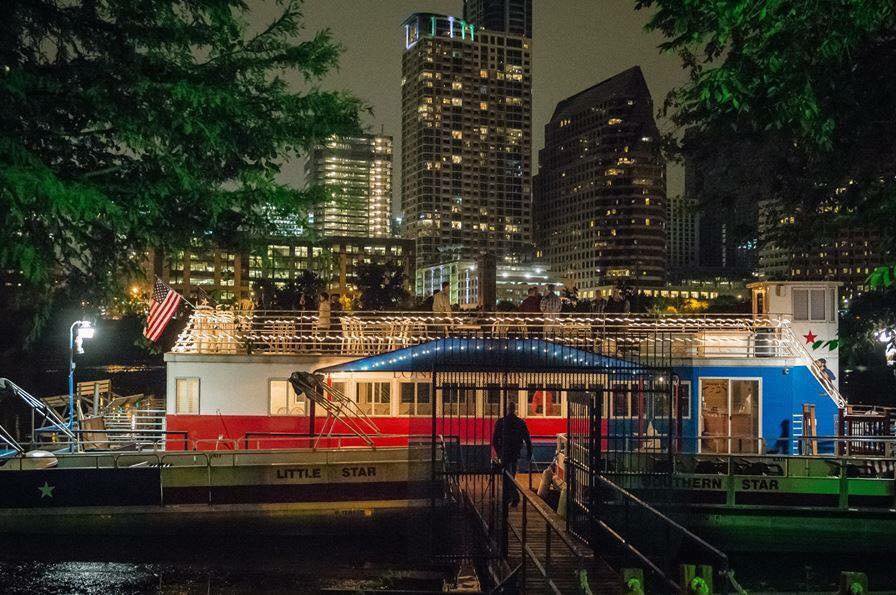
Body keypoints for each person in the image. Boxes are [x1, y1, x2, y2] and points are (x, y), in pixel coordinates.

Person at [491, 401, 532, 507]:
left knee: (505, 476)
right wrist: (529, 453)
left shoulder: (501, 422)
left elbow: (495, 440)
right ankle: (513, 497)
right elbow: (527, 439)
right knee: (511, 475)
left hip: (504, 453)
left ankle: (511, 497)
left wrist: (499, 452)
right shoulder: (520, 422)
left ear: (507, 409)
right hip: (515, 453)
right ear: (515, 409)